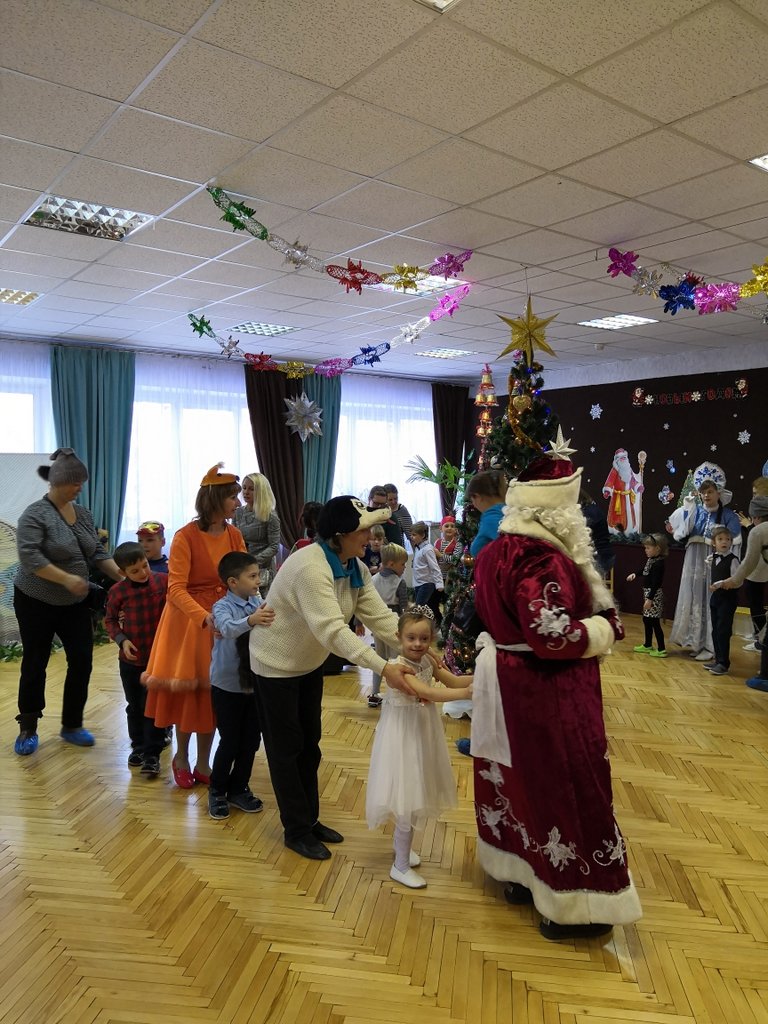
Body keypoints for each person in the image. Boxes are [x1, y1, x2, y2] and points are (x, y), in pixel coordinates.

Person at [471, 450, 641, 941]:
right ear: (558, 511)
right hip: (549, 691)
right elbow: (553, 636)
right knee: (569, 785)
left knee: (518, 781)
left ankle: (523, 876)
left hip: (506, 683)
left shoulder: (494, 551)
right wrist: (605, 628)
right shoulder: (542, 558)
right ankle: (575, 903)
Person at [249, 496, 418, 861]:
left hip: (306, 664)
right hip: (275, 666)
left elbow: (379, 616)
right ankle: (296, 830)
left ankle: (309, 820)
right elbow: (333, 631)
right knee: (286, 750)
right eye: (363, 530)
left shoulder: (353, 565)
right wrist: (384, 667)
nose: (370, 536)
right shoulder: (310, 567)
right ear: (340, 535)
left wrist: (414, 645)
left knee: (310, 745)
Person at [13, 448, 123, 756]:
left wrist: (123, 578)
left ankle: (72, 725)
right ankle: (28, 726)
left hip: (74, 602)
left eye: (81, 483)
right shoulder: (35, 514)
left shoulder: (83, 514)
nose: (80, 488)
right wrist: (66, 579)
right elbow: (31, 558)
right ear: (58, 481)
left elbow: (97, 553)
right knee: (35, 661)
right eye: (76, 483)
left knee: (82, 660)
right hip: (35, 599)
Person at [143, 464, 245, 789]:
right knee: (190, 694)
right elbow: (175, 588)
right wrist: (204, 617)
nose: (238, 503)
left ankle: (204, 761)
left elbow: (242, 577)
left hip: (223, 620)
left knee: (213, 695)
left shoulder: (234, 535)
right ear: (215, 499)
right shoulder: (185, 536)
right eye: (233, 497)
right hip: (190, 624)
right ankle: (181, 757)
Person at [366, 607, 473, 888]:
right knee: (408, 796)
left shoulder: (427, 659)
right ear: (398, 637)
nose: (417, 644)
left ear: (431, 638)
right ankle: (399, 866)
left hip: (422, 731)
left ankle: (402, 850)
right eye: (411, 638)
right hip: (403, 736)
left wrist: (479, 679)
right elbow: (427, 693)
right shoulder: (399, 667)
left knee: (415, 791)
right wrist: (466, 694)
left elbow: (452, 680)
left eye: (424, 639)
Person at [208, 551, 275, 820]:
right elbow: (226, 628)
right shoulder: (221, 606)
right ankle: (217, 790)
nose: (258, 581)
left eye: (258, 575)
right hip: (227, 686)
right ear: (233, 582)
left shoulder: (257, 602)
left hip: (254, 683)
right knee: (230, 741)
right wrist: (251, 620)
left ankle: (238, 788)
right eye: (253, 576)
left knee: (250, 741)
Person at [104, 542, 169, 776]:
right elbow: (110, 620)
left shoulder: (163, 581)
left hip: (158, 659)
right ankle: (138, 746)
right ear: (122, 572)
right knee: (134, 706)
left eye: (145, 566)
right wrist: (122, 640)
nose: (143, 573)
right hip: (130, 661)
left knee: (153, 706)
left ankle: (152, 755)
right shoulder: (117, 592)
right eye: (135, 571)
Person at [667, 463, 741, 661]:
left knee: (710, 600)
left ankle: (711, 646)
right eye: (703, 492)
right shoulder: (695, 510)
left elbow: (734, 545)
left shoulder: (728, 516)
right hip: (694, 560)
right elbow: (682, 530)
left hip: (714, 562)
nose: (706, 496)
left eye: (710, 492)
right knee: (694, 597)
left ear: (718, 493)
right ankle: (696, 641)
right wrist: (688, 508)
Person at [719, 495, 768, 691]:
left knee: (767, 635)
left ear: (756, 516)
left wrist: (732, 581)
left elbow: (748, 563)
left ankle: (765, 677)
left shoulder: (758, 531)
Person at [368, 543, 408, 708]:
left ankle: (374, 693)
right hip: (394, 624)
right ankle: (396, 693)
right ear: (392, 564)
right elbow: (404, 609)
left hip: (377, 624)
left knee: (379, 659)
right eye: (402, 564)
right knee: (396, 659)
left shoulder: (372, 580)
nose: (404, 567)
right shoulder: (400, 582)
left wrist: (359, 623)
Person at [734, 476, 768, 651]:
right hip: (758, 564)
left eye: (756, 494)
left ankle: (761, 639)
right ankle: (759, 634)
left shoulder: (760, 524)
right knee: (754, 598)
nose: (753, 498)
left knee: (754, 598)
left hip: (760, 565)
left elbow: (761, 536)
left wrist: (749, 525)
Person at [234, 473, 280, 594]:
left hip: (263, 569)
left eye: (251, 489)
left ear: (261, 491)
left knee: (262, 603)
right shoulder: (238, 513)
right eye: (244, 488)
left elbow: (274, 546)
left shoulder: (270, 515)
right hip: (241, 567)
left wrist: (253, 562)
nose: (246, 492)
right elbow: (234, 539)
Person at [705, 526, 740, 676]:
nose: (724, 542)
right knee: (715, 630)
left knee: (723, 631)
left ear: (731, 542)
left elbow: (738, 581)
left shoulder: (733, 560)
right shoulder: (713, 558)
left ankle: (724, 664)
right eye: (720, 539)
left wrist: (722, 583)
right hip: (716, 598)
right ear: (714, 543)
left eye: (727, 539)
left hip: (728, 599)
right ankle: (718, 660)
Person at [626, 533, 668, 658]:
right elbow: (644, 570)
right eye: (645, 547)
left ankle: (661, 649)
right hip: (648, 594)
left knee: (654, 622)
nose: (646, 550)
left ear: (657, 549)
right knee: (647, 619)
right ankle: (648, 644)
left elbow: (656, 583)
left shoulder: (659, 564)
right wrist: (635, 574)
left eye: (648, 548)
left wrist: (650, 599)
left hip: (654, 595)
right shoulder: (652, 560)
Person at [602, 448, 644, 533]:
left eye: (624, 457)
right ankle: (617, 531)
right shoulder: (615, 470)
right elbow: (610, 481)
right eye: (621, 458)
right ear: (617, 460)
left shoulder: (629, 470)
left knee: (629, 514)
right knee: (618, 516)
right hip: (618, 498)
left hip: (628, 497)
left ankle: (630, 530)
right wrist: (607, 490)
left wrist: (638, 486)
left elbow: (633, 481)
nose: (623, 459)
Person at [467, 470, 508, 557]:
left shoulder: (491, 518)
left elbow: (512, 545)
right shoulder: (508, 511)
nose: (473, 505)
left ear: (477, 497)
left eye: (472, 500)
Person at [410, 521, 443, 620]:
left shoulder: (428, 549)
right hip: (419, 583)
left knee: (419, 607)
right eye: (411, 535)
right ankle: (434, 622)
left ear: (423, 535)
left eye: (414, 535)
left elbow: (434, 567)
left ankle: (421, 624)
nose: (411, 537)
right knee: (428, 607)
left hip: (427, 583)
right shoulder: (418, 548)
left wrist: (439, 583)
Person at [579, 489, 615, 579]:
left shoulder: (588, 513)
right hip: (604, 555)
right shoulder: (592, 509)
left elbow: (581, 534)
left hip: (599, 557)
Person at [434, 515, 464, 586]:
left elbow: (454, 560)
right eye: (446, 526)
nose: (449, 528)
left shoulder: (458, 544)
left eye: (452, 526)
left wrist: (440, 555)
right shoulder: (437, 542)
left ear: (455, 529)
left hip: (451, 578)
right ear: (441, 528)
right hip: (437, 577)